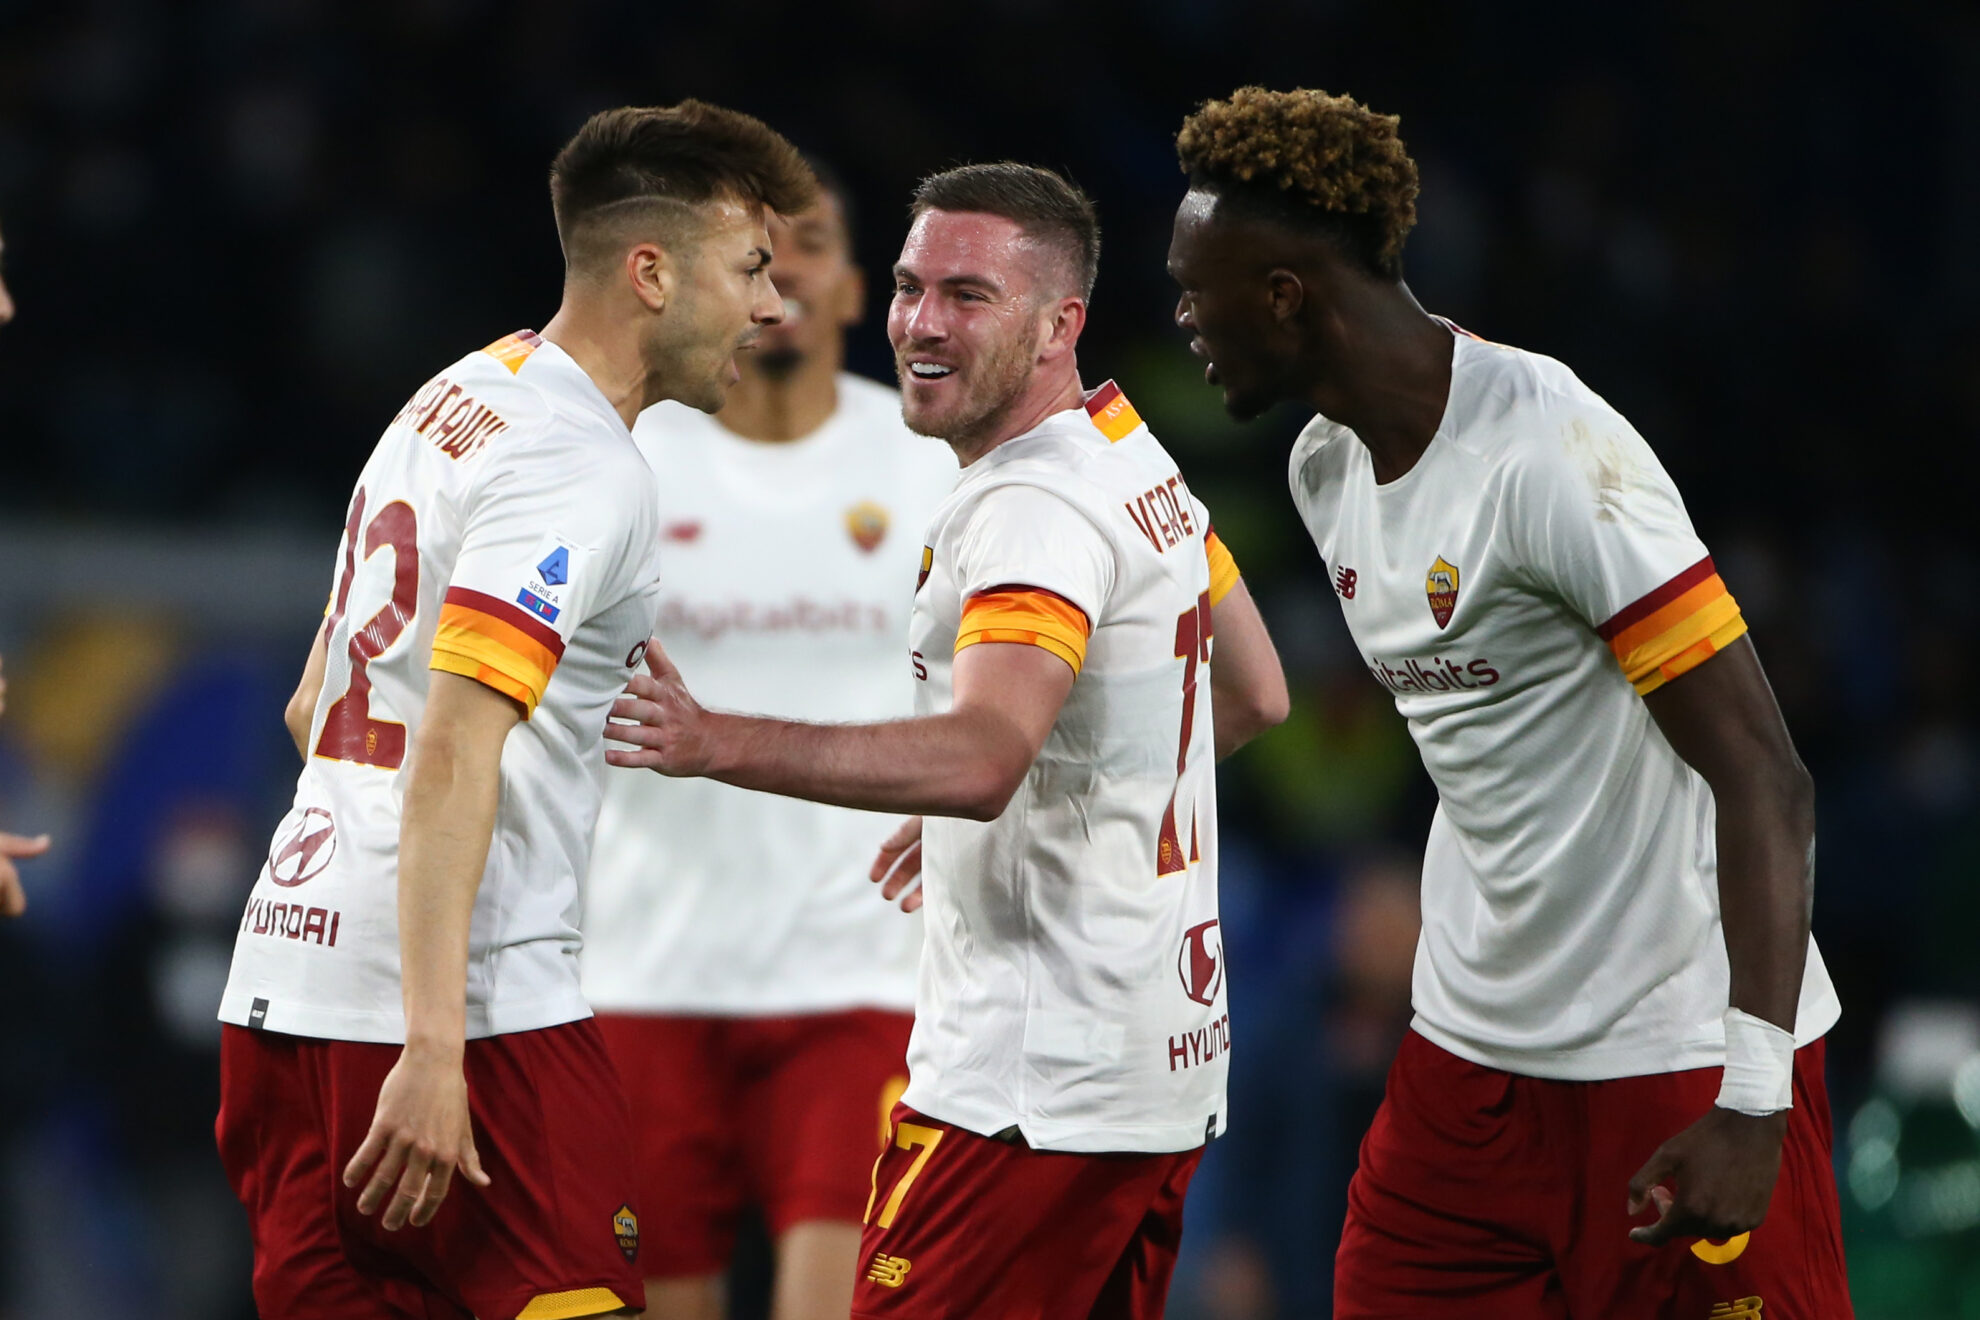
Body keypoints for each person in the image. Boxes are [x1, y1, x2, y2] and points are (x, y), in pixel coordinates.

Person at [1165, 86, 1850, 1318]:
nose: (1180, 319)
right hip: (1470, 1065)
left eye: (1191, 290)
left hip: (1674, 1050)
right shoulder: (1324, 468)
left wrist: (1754, 1103)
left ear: (1283, 296)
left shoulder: (1549, 457)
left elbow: (1766, 778)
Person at [606, 162, 1289, 1319]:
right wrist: (1032, 797)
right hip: (1157, 1070)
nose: (922, 322)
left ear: (1058, 324)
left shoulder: (1028, 509)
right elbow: (1255, 690)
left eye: (969, 296)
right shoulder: (1131, 456)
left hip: (1027, 1090)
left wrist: (716, 739)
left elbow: (980, 758)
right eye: (912, 286)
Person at [214, 101, 814, 1320]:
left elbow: (311, 705)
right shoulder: (579, 465)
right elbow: (451, 750)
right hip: (466, 1026)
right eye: (751, 267)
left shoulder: (450, 398)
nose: (772, 307)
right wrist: (434, 1044)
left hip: (282, 988)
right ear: (651, 273)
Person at [580, 160, 958, 1320]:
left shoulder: (932, 467)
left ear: (857, 290)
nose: (784, 278)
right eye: (758, 255)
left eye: (812, 251)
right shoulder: (629, 457)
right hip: (643, 966)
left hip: (860, 971)